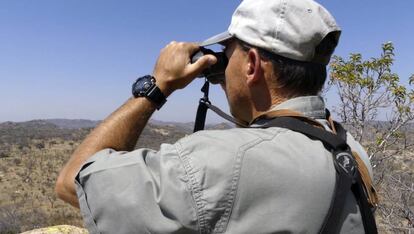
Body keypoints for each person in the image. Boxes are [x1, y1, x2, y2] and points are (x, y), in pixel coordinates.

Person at [56, 0, 377, 233]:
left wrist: (157, 87)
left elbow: (73, 181)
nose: (222, 71)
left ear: (251, 64)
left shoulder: (222, 161)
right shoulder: (350, 151)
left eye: (227, 56)